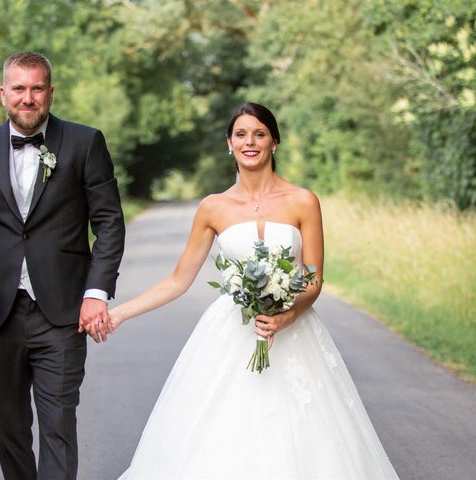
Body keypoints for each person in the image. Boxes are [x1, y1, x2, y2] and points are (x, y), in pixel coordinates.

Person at [109, 103, 399, 479]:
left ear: (273, 142)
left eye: (259, 134)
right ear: (229, 144)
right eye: (241, 134)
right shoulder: (213, 207)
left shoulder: (303, 201)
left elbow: (313, 279)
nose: (250, 142)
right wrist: (119, 313)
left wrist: (287, 315)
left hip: (295, 334)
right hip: (231, 334)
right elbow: (178, 280)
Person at [0, 51, 124, 480]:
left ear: (50, 93)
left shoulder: (84, 142)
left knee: (58, 426)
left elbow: (110, 224)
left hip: (62, 312)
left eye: (36, 88)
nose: (28, 98)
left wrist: (96, 293)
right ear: (3, 94)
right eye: (18, 88)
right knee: (9, 430)